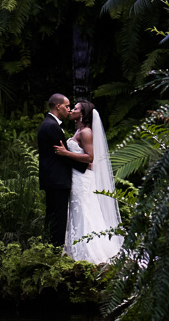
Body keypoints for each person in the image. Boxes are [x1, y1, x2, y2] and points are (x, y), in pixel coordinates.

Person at [53, 100, 124, 264]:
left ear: (82, 114)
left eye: (75, 109)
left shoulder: (86, 132)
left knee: (84, 208)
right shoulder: (79, 131)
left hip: (83, 177)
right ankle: (75, 248)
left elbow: (90, 157)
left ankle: (89, 251)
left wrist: (65, 154)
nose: (71, 110)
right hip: (77, 176)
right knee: (79, 208)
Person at [37, 93, 87, 247]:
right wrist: (84, 166)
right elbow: (62, 155)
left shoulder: (49, 124)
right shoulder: (51, 126)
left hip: (53, 178)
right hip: (57, 179)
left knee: (53, 216)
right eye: (66, 106)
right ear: (58, 106)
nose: (69, 109)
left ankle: (49, 248)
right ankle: (54, 251)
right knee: (58, 218)